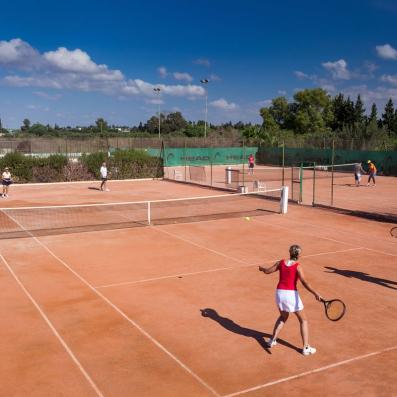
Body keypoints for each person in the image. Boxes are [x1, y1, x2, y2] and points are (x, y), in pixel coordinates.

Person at [258, 245, 322, 356]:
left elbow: (268, 271)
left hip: (279, 294)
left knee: (283, 317)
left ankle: (272, 340)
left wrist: (262, 268)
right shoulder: (297, 266)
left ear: (290, 252)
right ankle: (306, 347)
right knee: (303, 320)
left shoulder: (281, 262)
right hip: (291, 295)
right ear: (298, 255)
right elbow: (305, 282)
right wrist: (315, 293)